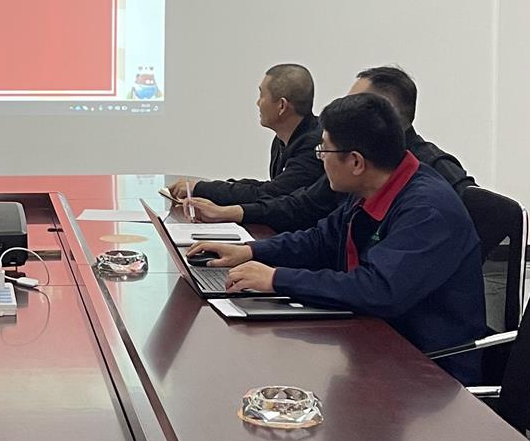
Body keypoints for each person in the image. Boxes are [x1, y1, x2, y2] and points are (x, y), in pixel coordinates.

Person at [189, 93, 486, 376]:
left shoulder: (427, 211)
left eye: (324, 150)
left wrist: (276, 279)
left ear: (356, 162)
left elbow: (378, 290)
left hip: (427, 369)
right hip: (372, 339)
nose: (320, 159)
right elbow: (322, 239)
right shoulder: (372, 186)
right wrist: (250, 251)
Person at [192, 63, 477, 232]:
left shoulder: (436, 172)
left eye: (356, 104)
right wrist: (237, 216)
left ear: (383, 114)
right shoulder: (361, 163)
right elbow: (305, 206)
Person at [164, 63, 323, 218]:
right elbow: (270, 188)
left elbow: (271, 194)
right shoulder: (282, 139)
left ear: (281, 106)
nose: (257, 103)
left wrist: (201, 189)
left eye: (262, 95)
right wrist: (211, 189)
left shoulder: (313, 146)